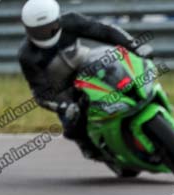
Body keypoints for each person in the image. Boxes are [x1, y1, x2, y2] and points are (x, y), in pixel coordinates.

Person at [18, 0, 153, 160]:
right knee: (73, 126)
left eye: (49, 27)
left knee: (116, 64)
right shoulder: (27, 55)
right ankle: (91, 147)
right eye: (38, 31)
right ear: (27, 29)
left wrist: (135, 46)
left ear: (58, 19)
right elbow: (40, 91)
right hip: (63, 90)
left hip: (85, 64)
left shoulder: (71, 21)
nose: (45, 33)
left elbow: (105, 31)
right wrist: (63, 105)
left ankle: (148, 100)